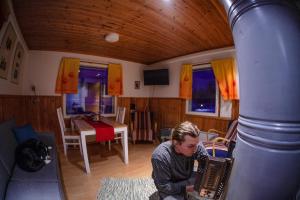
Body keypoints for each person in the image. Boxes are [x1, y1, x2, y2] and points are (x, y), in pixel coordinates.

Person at [151, 121, 208, 200]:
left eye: (196, 144)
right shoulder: (160, 156)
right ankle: (158, 196)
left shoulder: (194, 145)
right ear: (176, 143)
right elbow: (164, 186)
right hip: (170, 186)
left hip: (187, 180)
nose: (195, 149)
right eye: (191, 146)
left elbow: (207, 163)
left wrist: (203, 178)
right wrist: (188, 188)